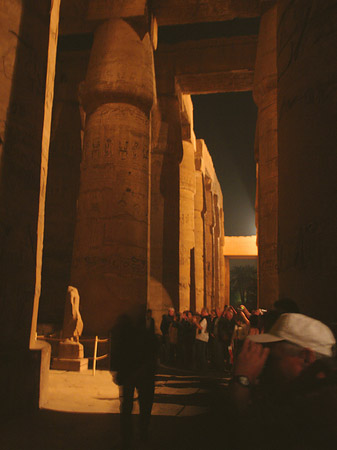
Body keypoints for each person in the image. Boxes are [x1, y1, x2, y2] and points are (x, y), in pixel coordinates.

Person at [229, 313, 337, 450]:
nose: (263, 364)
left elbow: (253, 439)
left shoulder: (321, 409)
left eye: (273, 358)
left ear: (306, 357)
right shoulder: (299, 393)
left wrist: (242, 383)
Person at [110, 308, 157, 450]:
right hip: (142, 373)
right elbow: (154, 351)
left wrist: (117, 371)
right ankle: (141, 432)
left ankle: (128, 436)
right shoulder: (145, 333)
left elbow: (117, 352)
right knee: (143, 404)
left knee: (127, 406)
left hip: (131, 372)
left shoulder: (123, 331)